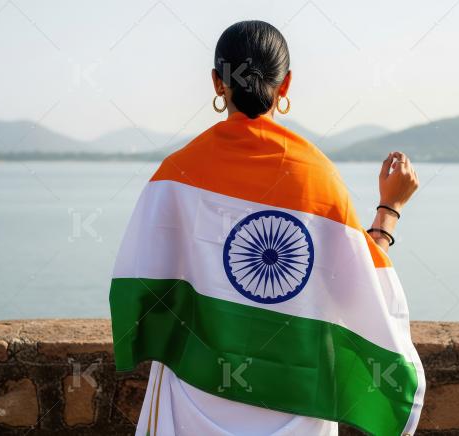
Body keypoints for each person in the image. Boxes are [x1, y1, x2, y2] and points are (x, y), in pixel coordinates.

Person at [110, 20, 424, 436]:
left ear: (217, 84)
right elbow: (356, 292)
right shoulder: (317, 178)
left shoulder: (177, 174)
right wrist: (389, 211)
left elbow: (142, 292)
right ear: (286, 83)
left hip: (194, 397)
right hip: (294, 403)